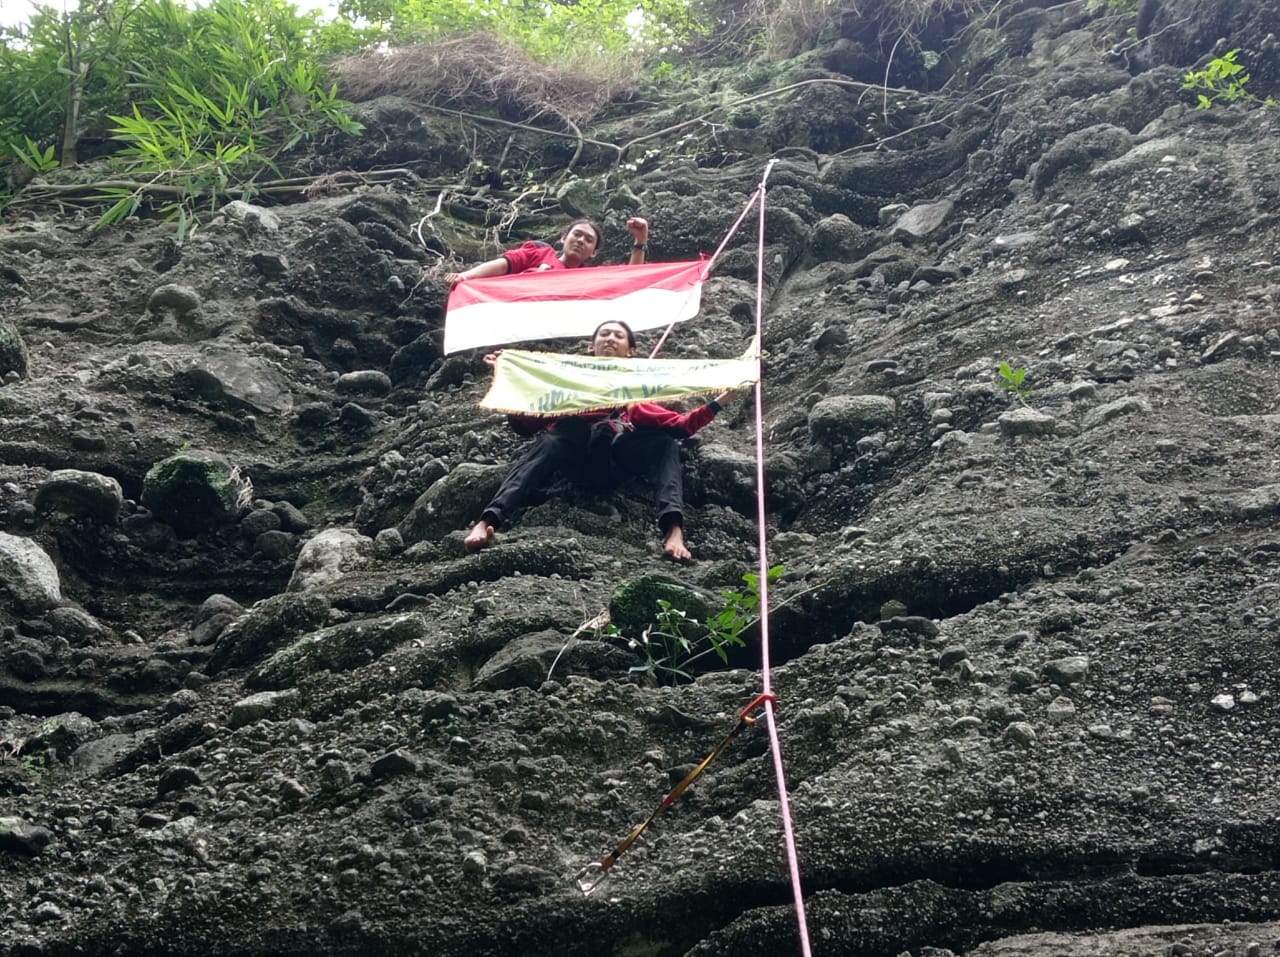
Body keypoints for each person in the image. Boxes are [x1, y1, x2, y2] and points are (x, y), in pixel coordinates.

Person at [464, 320, 734, 562]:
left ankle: (674, 531)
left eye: (618, 335)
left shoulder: (635, 393)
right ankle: (489, 519)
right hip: (575, 453)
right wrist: (507, 375)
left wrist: (725, 397)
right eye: (604, 334)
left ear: (630, 351)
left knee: (663, 442)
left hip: (616, 458)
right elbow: (524, 424)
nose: (610, 338)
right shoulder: (568, 388)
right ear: (592, 347)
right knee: (569, 429)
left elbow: (681, 426)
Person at [444, 217, 650, 286]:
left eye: (589, 240)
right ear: (563, 237)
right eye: (576, 234)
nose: (580, 240)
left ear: (594, 253)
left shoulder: (589, 277)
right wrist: (465, 276)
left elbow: (630, 279)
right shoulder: (540, 253)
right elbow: (504, 265)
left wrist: (640, 240)